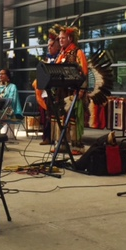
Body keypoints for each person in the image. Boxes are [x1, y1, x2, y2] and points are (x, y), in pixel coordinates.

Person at [55, 23, 88, 154]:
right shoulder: (61, 54)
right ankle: (62, 144)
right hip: (62, 90)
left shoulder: (78, 52)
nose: (60, 40)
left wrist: (81, 90)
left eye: (63, 38)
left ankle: (77, 146)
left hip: (74, 90)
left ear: (70, 39)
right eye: (59, 38)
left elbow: (84, 73)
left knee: (73, 117)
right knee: (61, 117)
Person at [34, 31, 60, 145]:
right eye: (48, 46)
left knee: (53, 117)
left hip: (56, 92)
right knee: (46, 117)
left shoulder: (60, 58)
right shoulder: (47, 59)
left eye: (51, 45)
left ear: (58, 46)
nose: (49, 48)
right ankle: (47, 137)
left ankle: (55, 138)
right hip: (46, 92)